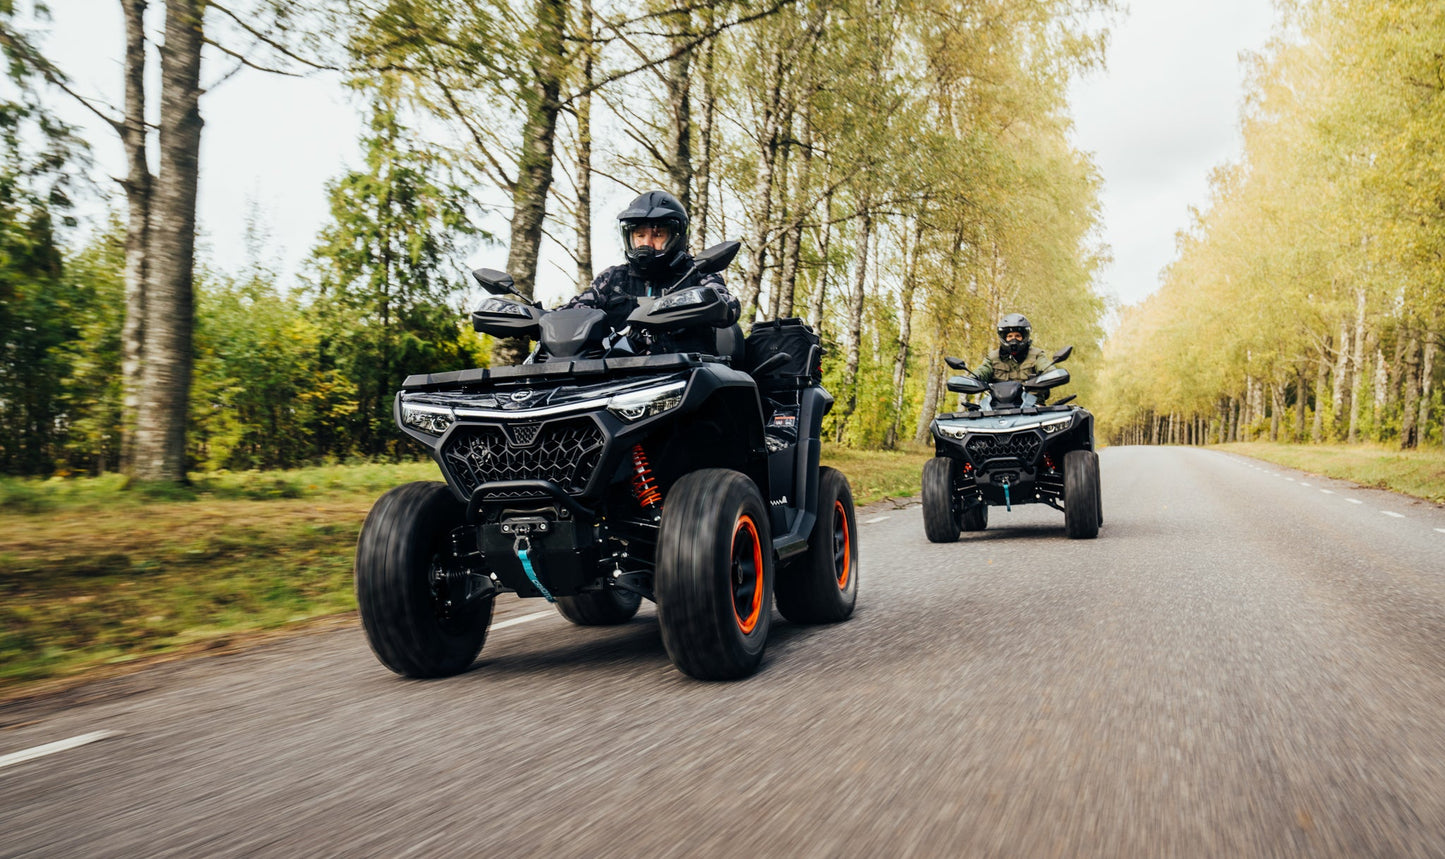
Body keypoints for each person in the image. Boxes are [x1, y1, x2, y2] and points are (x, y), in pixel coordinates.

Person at [566, 189, 741, 355]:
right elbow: (577, 309)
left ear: (677, 236)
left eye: (658, 235)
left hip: (685, 372)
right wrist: (545, 318)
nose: (647, 244)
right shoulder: (613, 278)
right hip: (621, 374)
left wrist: (694, 303)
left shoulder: (698, 273)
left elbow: (729, 306)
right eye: (640, 236)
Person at [973, 313, 1053, 383]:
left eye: (1017, 336)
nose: (1013, 339)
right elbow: (982, 371)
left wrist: (1052, 373)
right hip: (998, 400)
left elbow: (1045, 366)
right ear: (1004, 338)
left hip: (1031, 399)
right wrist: (972, 379)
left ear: (1024, 337)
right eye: (1010, 336)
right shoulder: (993, 357)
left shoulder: (1036, 355)